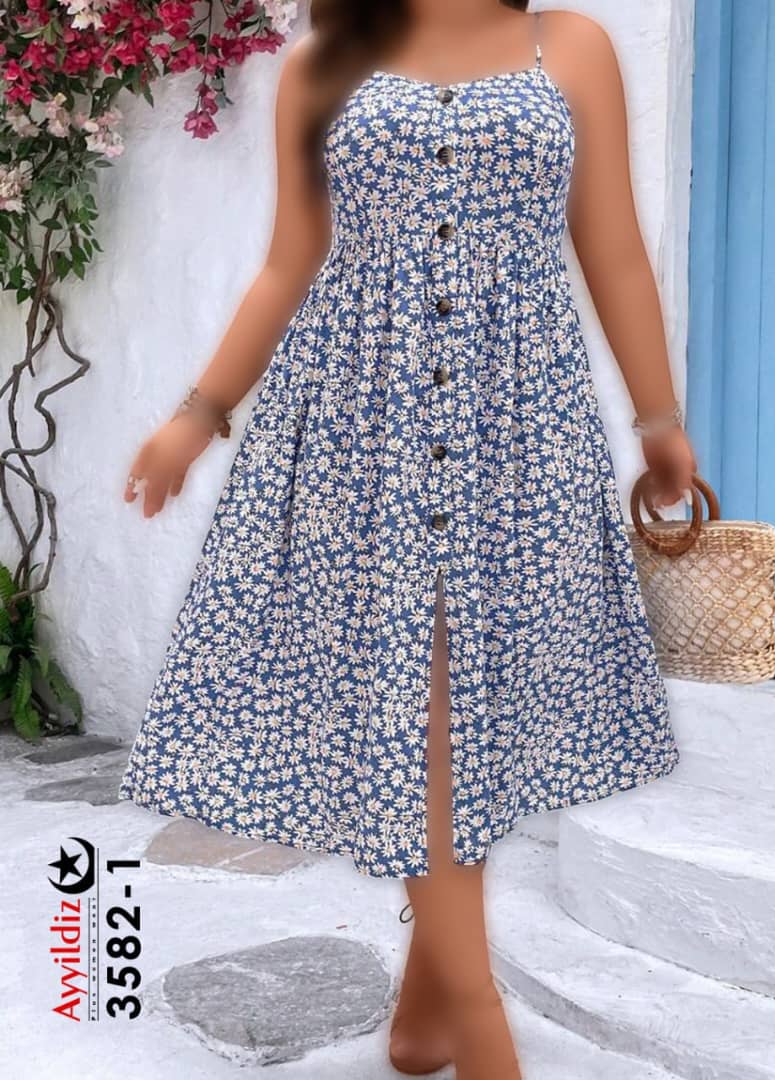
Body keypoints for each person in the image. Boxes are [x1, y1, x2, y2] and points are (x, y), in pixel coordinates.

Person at [119, 3, 696, 1077]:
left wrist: (660, 425)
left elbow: (612, 246)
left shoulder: (569, 48)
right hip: (358, 425)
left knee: (474, 704)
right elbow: (290, 263)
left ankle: (432, 988)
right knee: (418, 700)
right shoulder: (325, 64)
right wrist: (197, 416)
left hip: (516, 424)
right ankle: (475, 1011)